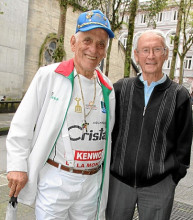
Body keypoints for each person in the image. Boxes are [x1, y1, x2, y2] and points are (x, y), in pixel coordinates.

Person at [6, 9, 115, 220]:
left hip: (91, 183)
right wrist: (17, 166)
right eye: (87, 40)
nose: (94, 49)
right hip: (57, 179)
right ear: (73, 42)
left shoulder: (107, 87)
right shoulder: (49, 76)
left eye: (101, 44)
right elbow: (22, 125)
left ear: (105, 51)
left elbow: (107, 134)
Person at [106, 30, 193, 220]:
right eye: (145, 50)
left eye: (156, 49)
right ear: (136, 55)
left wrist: (172, 178)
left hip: (159, 185)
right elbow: (109, 132)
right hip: (119, 183)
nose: (151, 56)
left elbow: (184, 143)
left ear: (166, 53)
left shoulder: (179, 95)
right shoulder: (121, 89)